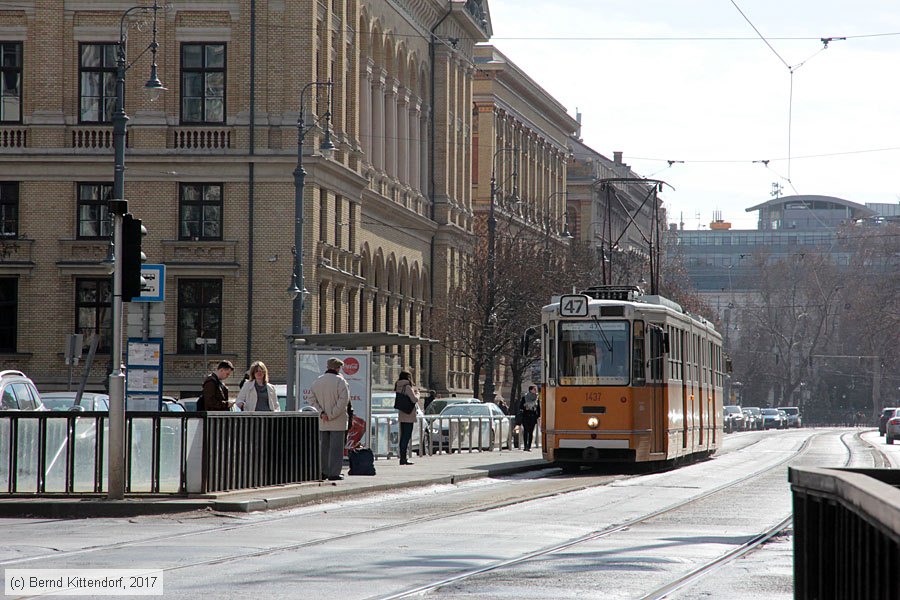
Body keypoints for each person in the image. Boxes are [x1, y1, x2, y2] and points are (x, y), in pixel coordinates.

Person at [309, 357, 350, 481]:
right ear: (337, 368)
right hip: (337, 421)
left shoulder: (318, 381)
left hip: (322, 420)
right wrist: (332, 414)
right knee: (336, 449)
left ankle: (323, 471)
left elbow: (311, 400)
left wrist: (322, 413)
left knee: (324, 448)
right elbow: (344, 401)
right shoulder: (341, 381)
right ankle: (334, 473)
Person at [394, 371, 422, 465]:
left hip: (402, 413)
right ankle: (403, 458)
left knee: (403, 437)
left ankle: (402, 457)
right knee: (406, 437)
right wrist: (417, 393)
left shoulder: (398, 386)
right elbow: (414, 399)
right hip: (409, 415)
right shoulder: (407, 387)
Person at [519, 385, 540, 451]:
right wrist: (525, 407)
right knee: (526, 431)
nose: (535, 390)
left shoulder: (537, 398)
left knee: (531, 432)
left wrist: (538, 416)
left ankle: (529, 446)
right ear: (531, 390)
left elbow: (538, 408)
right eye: (534, 389)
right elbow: (520, 406)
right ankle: (525, 446)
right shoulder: (524, 397)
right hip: (526, 415)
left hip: (533, 416)